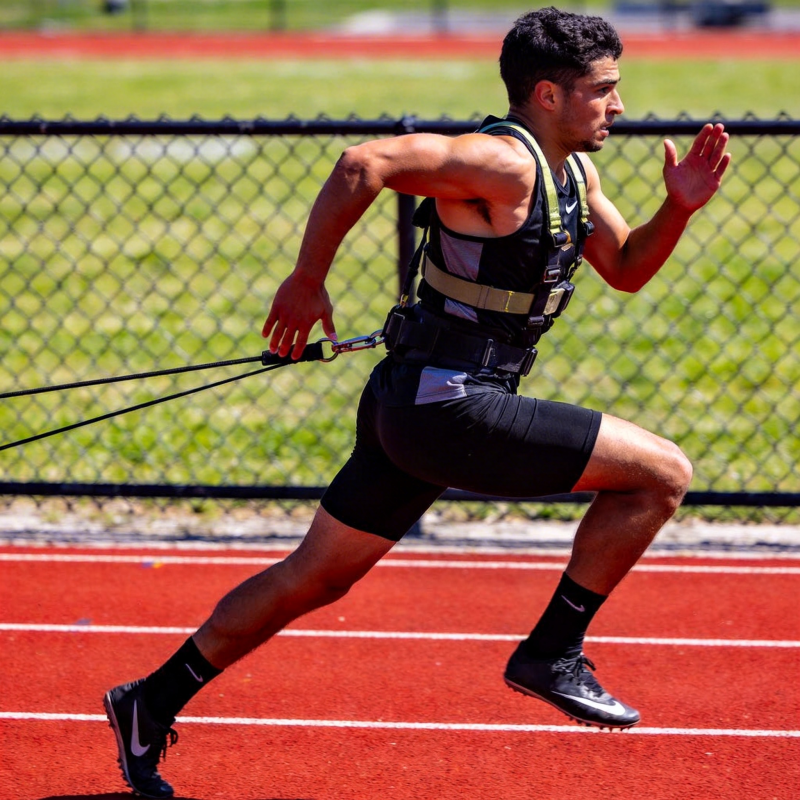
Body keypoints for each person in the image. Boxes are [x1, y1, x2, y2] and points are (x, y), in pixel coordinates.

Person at [103, 7, 730, 797]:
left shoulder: (575, 172)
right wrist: (306, 281)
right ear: (546, 93)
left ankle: (148, 702)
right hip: (447, 407)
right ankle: (552, 650)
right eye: (603, 90)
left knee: (315, 577)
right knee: (662, 475)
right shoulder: (502, 164)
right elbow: (365, 161)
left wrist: (679, 206)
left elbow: (629, 267)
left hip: (420, 399)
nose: (619, 105)